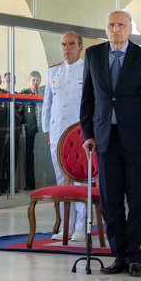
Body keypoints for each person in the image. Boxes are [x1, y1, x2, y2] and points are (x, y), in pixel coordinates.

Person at [80, 10, 141, 277]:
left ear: (130, 29)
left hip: (138, 140)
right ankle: (118, 255)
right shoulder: (93, 55)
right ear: (105, 29)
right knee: (110, 201)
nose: (116, 29)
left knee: (137, 199)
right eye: (111, 25)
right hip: (105, 139)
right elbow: (88, 99)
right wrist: (88, 134)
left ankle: (135, 256)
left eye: (121, 25)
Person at [42, 32, 86, 238]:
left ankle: (80, 226)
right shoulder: (54, 71)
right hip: (58, 132)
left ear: (80, 47)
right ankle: (65, 226)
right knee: (61, 180)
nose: (67, 48)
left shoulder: (88, 70)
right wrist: (47, 129)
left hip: (79, 133)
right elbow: (47, 104)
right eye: (63, 45)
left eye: (71, 44)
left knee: (80, 180)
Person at [20, 71, 42, 190]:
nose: (35, 83)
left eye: (37, 80)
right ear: (29, 81)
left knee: (42, 157)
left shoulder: (43, 93)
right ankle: (30, 183)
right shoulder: (24, 94)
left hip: (42, 132)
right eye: (33, 80)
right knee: (29, 157)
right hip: (29, 132)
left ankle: (42, 181)